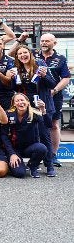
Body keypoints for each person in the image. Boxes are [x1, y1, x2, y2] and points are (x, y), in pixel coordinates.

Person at [11, 44, 57, 176]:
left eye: (25, 53)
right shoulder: (18, 70)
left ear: (30, 54)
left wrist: (45, 76)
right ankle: (33, 165)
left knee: (44, 135)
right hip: (26, 108)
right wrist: (13, 79)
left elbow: (52, 84)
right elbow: (15, 88)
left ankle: (49, 166)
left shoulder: (40, 67)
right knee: (30, 135)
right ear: (17, 57)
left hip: (41, 106)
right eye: (20, 54)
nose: (22, 56)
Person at [35, 33, 70, 168]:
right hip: (36, 96)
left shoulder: (60, 58)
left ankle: (53, 155)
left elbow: (66, 78)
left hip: (54, 96)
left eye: (47, 41)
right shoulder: (34, 55)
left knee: (53, 125)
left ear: (54, 43)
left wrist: (54, 90)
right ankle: (38, 154)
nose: (44, 43)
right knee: (36, 125)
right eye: (42, 41)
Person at [2, 93, 50, 178]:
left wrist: (43, 110)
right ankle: (11, 162)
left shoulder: (34, 113)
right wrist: (12, 153)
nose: (20, 102)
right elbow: (4, 136)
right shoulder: (8, 114)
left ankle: (32, 165)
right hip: (14, 149)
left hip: (29, 148)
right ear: (14, 104)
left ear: (28, 102)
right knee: (20, 173)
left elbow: (48, 125)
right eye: (17, 101)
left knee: (42, 148)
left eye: (22, 100)